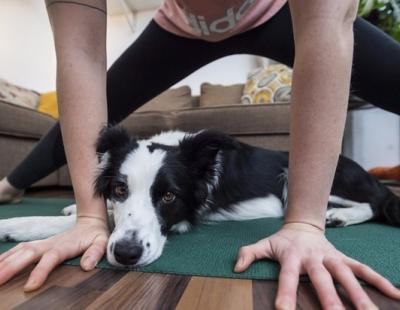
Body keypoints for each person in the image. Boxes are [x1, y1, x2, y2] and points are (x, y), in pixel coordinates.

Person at [0, 0, 399, 308]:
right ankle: (11, 183)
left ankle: (367, 207)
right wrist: (90, 214)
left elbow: (328, 28)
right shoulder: (147, 167)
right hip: (178, 26)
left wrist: (308, 225)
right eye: (120, 191)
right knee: (92, 109)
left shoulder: (196, 170)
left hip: (277, 12)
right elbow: (80, 54)